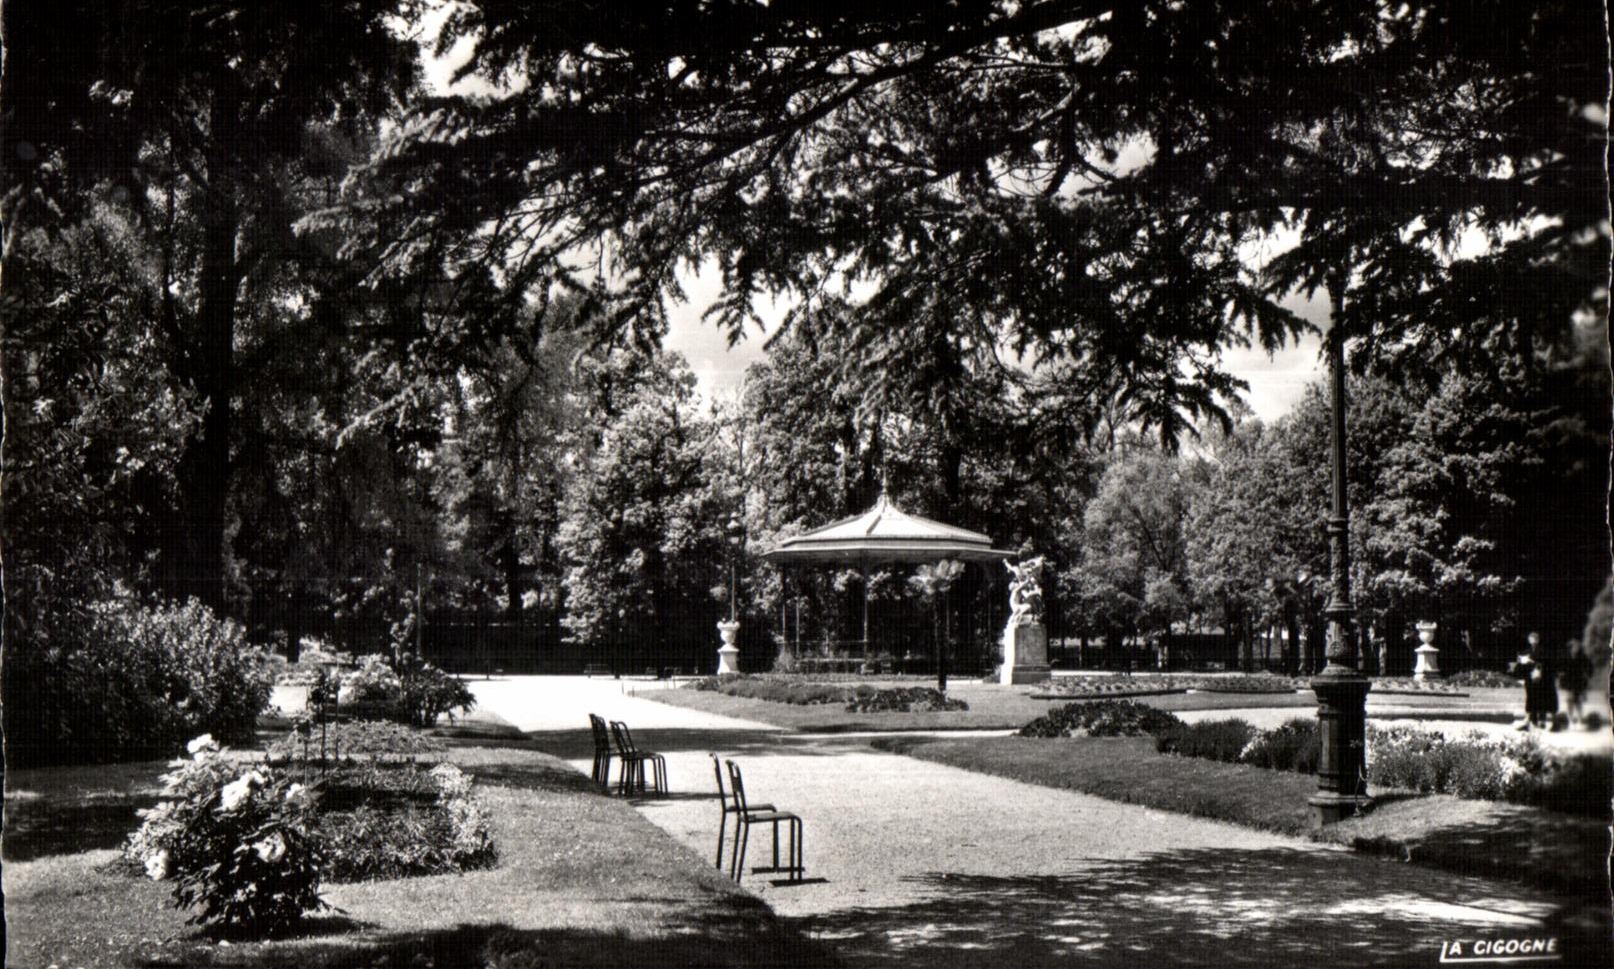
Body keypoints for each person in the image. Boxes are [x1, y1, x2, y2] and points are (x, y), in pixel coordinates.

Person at [1510, 634, 1557, 729]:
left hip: (1541, 680)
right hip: (1530, 680)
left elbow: (1546, 664)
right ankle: (1533, 720)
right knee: (1531, 699)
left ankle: (1541, 721)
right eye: (1531, 639)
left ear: (1538, 640)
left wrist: (1532, 661)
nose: (1533, 641)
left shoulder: (1543, 651)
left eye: (1535, 639)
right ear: (1529, 640)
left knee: (1541, 699)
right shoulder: (1527, 652)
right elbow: (1520, 666)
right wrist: (1522, 663)